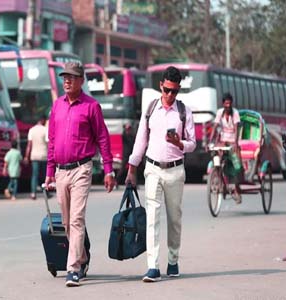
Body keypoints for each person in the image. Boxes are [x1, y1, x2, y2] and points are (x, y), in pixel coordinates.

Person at [44, 62, 116, 287]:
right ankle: (82, 257)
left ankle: (73, 269)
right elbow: (52, 141)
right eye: (65, 77)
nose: (67, 81)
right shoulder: (57, 106)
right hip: (60, 171)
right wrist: (49, 173)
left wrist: (108, 169)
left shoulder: (91, 106)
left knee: (76, 219)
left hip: (82, 169)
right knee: (66, 221)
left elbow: (103, 138)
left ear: (81, 81)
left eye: (72, 77)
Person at [125, 66, 196, 282]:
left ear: (179, 90)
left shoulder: (184, 111)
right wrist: (131, 168)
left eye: (174, 91)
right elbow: (140, 141)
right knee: (152, 218)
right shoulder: (151, 109)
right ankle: (152, 266)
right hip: (153, 169)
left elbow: (193, 143)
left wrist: (179, 143)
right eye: (167, 90)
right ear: (161, 86)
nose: (170, 95)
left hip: (175, 170)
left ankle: (173, 261)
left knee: (174, 219)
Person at [209, 92, 243, 203]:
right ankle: (218, 176)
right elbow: (215, 126)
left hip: (232, 141)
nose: (228, 105)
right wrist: (210, 141)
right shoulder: (220, 112)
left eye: (229, 103)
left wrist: (236, 143)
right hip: (223, 140)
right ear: (223, 103)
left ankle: (236, 188)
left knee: (237, 166)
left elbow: (237, 128)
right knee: (216, 157)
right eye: (226, 103)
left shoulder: (235, 113)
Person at [24, 115, 48, 200]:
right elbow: (48, 143)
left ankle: (33, 193)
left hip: (34, 156)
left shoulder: (31, 130)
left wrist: (26, 157)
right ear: (42, 120)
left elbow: (29, 145)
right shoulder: (45, 130)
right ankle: (46, 193)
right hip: (44, 156)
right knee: (45, 175)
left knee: (34, 175)